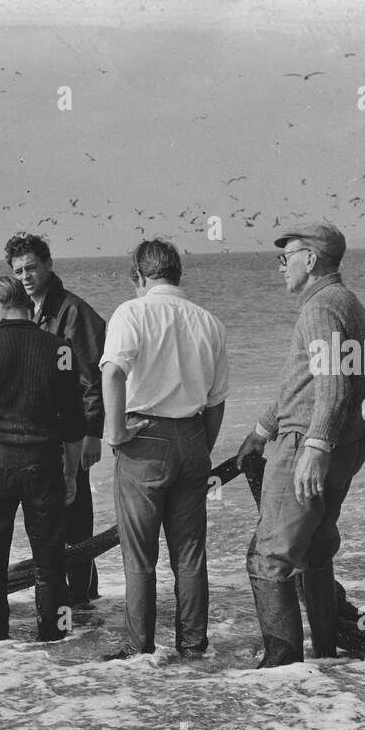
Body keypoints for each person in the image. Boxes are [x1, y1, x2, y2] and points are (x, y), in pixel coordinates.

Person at [235, 222, 365, 666]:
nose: (281, 266)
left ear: (310, 260)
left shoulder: (318, 309)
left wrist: (313, 448)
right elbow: (311, 383)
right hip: (346, 443)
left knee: (268, 557)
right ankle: (327, 655)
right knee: (314, 550)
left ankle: (282, 667)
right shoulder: (349, 304)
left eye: (286, 256)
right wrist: (261, 430)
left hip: (308, 445)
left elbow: (331, 385)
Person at [99, 240, 228, 658]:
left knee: (140, 556)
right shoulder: (210, 322)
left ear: (138, 277)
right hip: (192, 435)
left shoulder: (131, 312)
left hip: (144, 440)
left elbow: (113, 373)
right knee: (189, 555)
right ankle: (193, 646)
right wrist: (200, 446)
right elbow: (216, 400)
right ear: (178, 275)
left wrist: (115, 432)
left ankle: (140, 649)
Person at [0, 275, 85, 644]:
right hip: (44, 467)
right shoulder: (60, 350)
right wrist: (70, 473)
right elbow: (74, 426)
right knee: (50, 566)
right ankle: (56, 641)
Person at [5, 233, 106, 608]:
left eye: (32, 267)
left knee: (76, 525)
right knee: (49, 523)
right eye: (19, 271)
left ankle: (83, 601)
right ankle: (65, 599)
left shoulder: (74, 312)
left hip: (72, 437)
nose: (26, 276)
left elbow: (93, 378)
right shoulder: (24, 311)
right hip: (38, 438)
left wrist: (93, 434)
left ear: (49, 265)